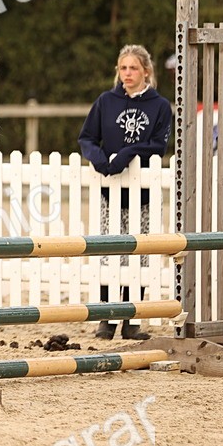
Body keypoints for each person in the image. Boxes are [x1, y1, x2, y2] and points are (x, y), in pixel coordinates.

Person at [77, 45, 172, 341]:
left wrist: (129, 151)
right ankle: (106, 318)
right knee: (109, 253)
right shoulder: (106, 101)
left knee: (138, 255)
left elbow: (159, 145)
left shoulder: (160, 106)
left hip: (143, 194)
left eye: (133, 68)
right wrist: (99, 158)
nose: (127, 74)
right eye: (123, 68)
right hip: (111, 193)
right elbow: (87, 138)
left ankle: (131, 320)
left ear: (146, 71)